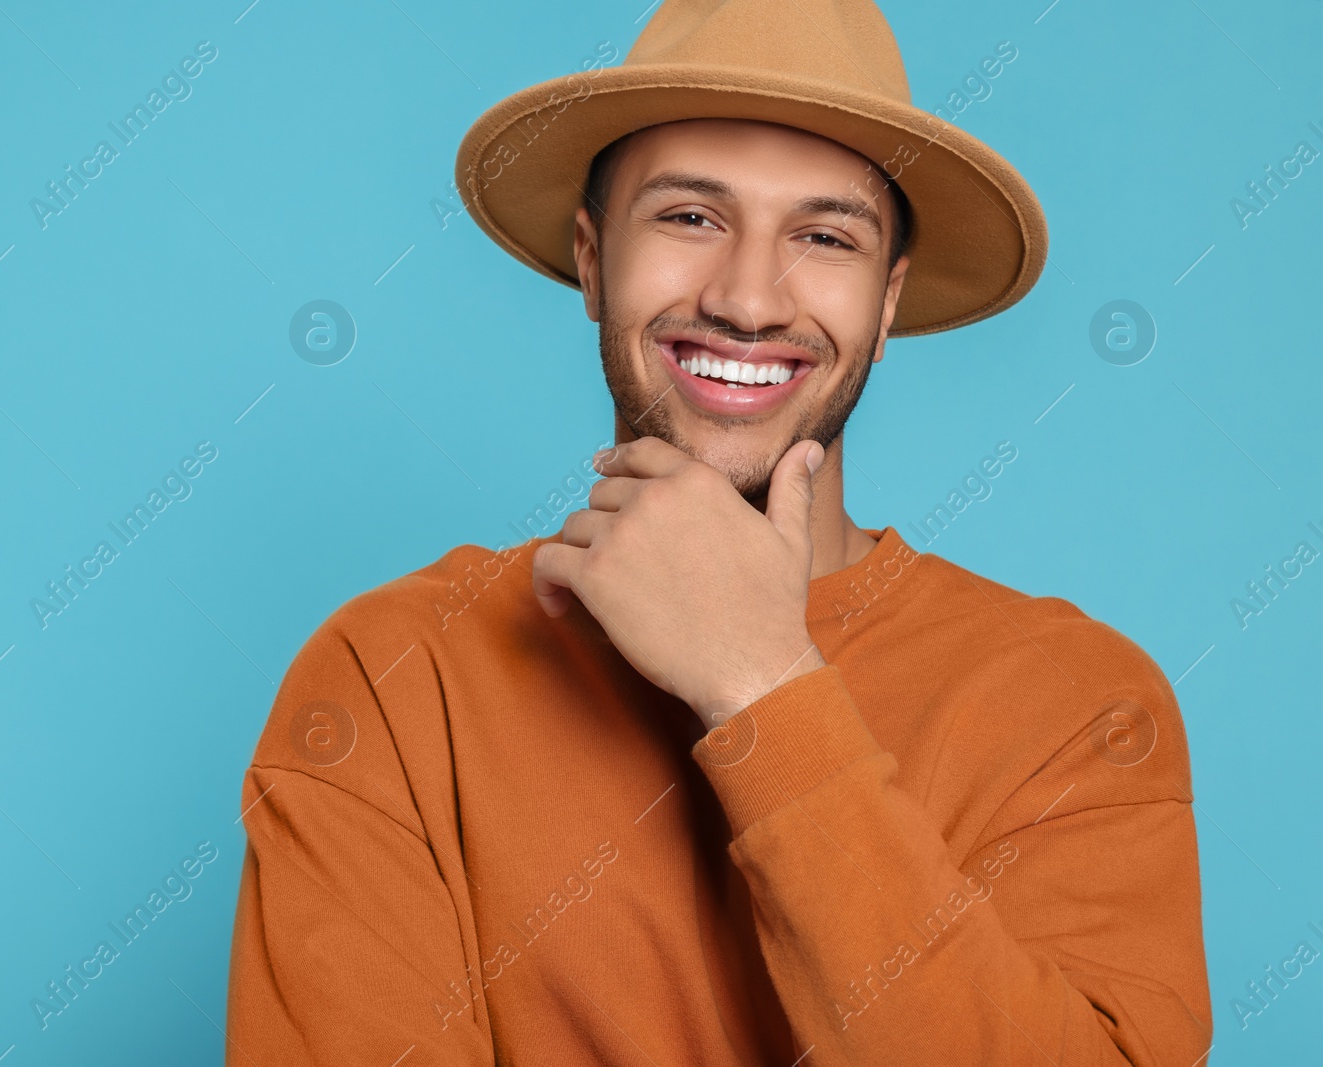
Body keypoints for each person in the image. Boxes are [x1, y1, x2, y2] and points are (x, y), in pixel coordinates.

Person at [225, 0, 1213, 1062]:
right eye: (691, 217)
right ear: (593, 258)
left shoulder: (1076, 705)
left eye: (824, 237)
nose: (748, 299)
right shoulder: (391, 678)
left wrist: (761, 685)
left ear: (885, 307)